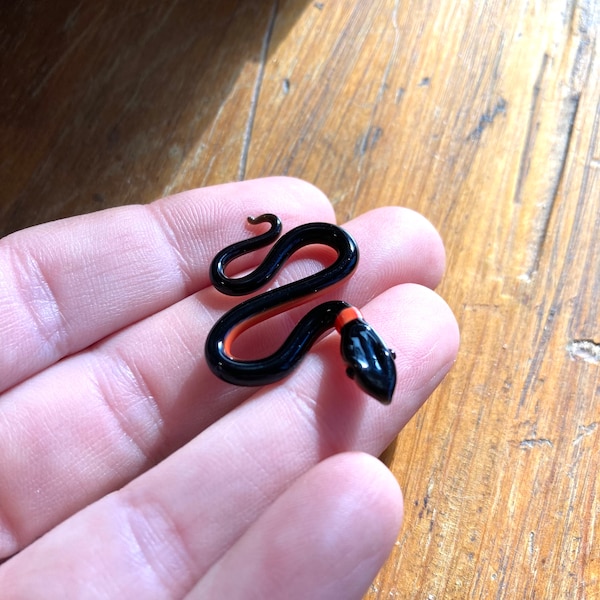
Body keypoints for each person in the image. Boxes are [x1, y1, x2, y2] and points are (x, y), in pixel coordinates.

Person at [0, 177, 459, 598]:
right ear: (352, 347)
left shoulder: (338, 299)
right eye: (361, 372)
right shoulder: (330, 303)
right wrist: (269, 241)